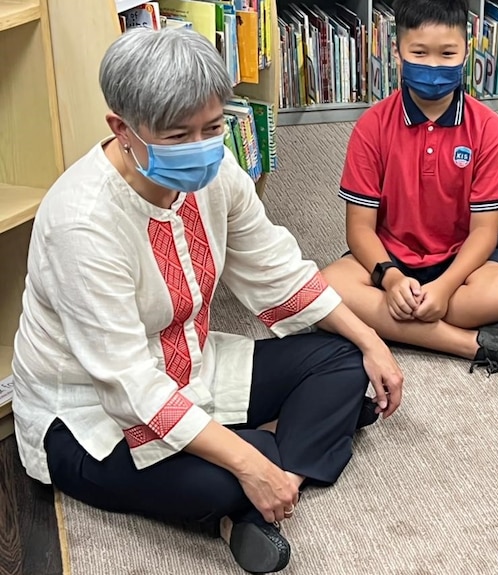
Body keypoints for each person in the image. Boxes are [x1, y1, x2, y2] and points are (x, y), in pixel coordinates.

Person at [11, 28, 403, 575]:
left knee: (343, 357)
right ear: (122, 129)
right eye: (178, 135)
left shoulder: (216, 171)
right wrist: (245, 459)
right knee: (236, 468)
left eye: (213, 127)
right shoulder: (82, 223)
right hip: (90, 415)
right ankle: (267, 467)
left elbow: (278, 270)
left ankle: (267, 485)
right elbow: (127, 385)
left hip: (194, 364)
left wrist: (371, 341)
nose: (201, 147)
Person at [322, 0, 498, 376]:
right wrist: (391, 277)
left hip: (459, 265)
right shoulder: (372, 126)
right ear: (397, 52)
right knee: (328, 285)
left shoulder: (488, 128)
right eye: (419, 52)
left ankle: (392, 322)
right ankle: (472, 344)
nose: (433, 66)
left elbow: (485, 232)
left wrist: (444, 289)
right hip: (388, 260)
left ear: (466, 52)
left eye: (448, 53)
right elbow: (360, 228)